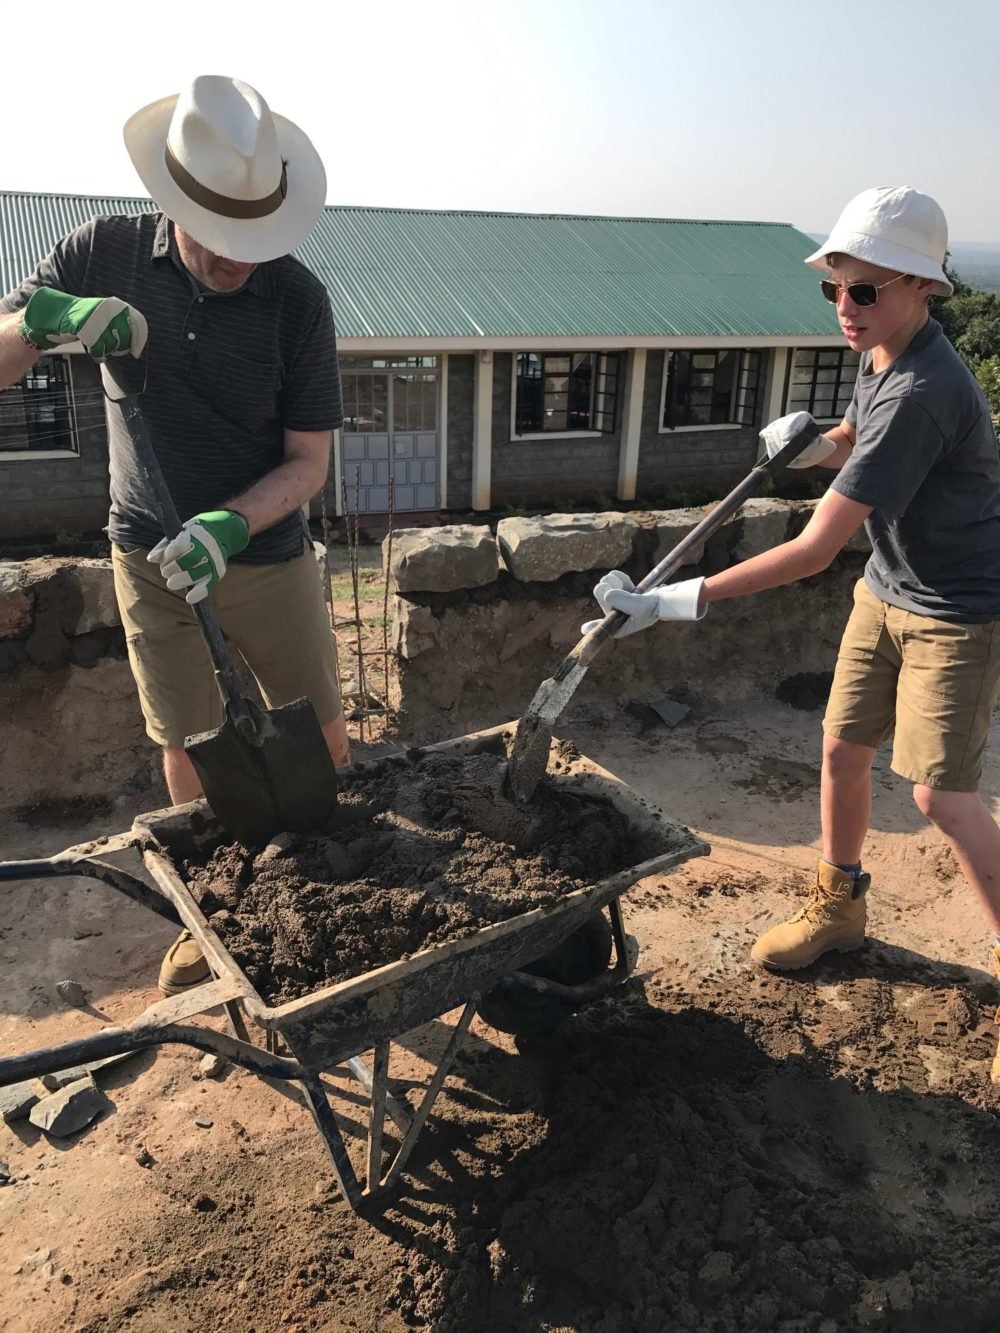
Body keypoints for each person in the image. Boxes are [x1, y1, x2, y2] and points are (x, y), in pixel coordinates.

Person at [585, 186, 1000, 1083]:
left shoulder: (928, 387)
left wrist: (675, 599)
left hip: (957, 609)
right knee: (841, 752)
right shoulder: (887, 350)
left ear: (923, 286)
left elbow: (815, 549)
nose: (845, 310)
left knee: (941, 800)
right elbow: (861, 430)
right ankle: (840, 905)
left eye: (864, 292)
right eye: (834, 291)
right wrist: (818, 442)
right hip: (888, 588)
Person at [0, 75, 350, 996]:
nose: (241, 259)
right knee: (191, 745)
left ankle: (330, 892)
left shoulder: (299, 302)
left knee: (322, 737)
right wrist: (45, 320)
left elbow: (308, 463)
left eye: (256, 239)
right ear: (174, 200)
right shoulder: (101, 252)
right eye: (222, 236)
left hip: (267, 557)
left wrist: (233, 523)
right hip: (150, 554)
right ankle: (219, 914)